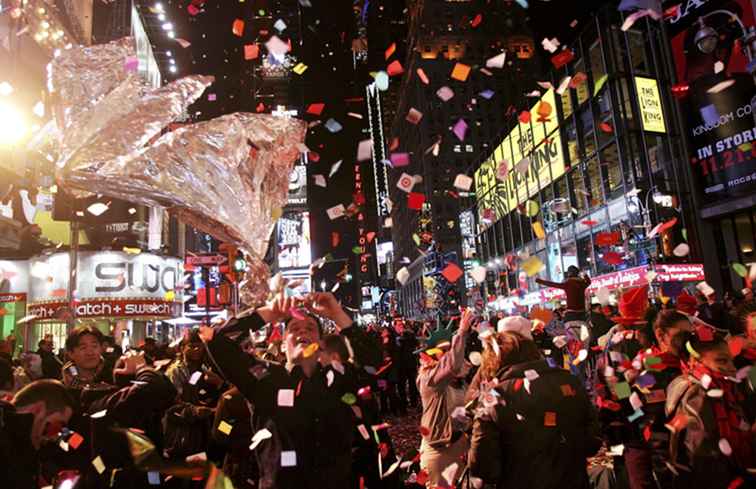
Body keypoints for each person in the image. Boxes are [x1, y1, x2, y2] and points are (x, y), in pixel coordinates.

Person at [200, 292, 381, 489]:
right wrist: (269, 313)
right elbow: (216, 340)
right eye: (294, 328)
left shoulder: (338, 381)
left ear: (320, 344)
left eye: (310, 328)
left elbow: (373, 362)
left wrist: (338, 314)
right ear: (283, 343)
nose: (303, 332)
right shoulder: (265, 379)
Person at [468, 331, 600, 489]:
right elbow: (592, 441)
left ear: (493, 360)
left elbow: (483, 466)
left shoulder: (493, 397)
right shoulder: (570, 381)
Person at [665, 334, 755, 489]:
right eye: (722, 360)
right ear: (694, 361)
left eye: (731, 360)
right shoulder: (698, 395)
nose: (732, 368)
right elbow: (702, 455)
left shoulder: (723, 390)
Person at [622, 311, 693, 489]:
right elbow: (624, 403)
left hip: (682, 453)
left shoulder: (688, 363)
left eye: (689, 335)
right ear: (660, 334)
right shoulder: (644, 363)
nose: (686, 341)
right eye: (680, 335)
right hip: (645, 451)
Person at [417, 309, 474, 487]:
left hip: (460, 444)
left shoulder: (461, 382)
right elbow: (452, 365)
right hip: (438, 450)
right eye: (443, 351)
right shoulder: (429, 379)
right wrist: (462, 332)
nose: (448, 353)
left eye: (450, 349)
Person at [0, 379, 75, 488]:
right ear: (39, 409)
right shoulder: (7, 444)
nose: (53, 437)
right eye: (56, 425)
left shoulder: (19, 446)